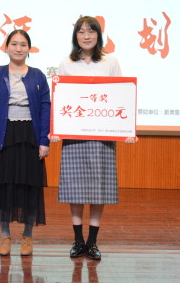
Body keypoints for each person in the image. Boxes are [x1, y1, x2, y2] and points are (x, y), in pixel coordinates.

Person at [51, 16, 137, 261]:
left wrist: (128, 130)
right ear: (75, 36)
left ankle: (93, 242)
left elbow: (121, 95)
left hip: (102, 136)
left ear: (99, 35)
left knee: (100, 189)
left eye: (91, 31)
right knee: (75, 188)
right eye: (81, 31)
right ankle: (78, 241)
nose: (86, 36)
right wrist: (55, 129)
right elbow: (60, 99)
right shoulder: (66, 63)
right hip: (74, 136)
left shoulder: (111, 61)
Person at [0, 29, 50, 257]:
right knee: (4, 187)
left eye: (23, 44)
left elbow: (45, 108)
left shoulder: (38, 76)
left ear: (29, 48)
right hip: (5, 134)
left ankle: (27, 236)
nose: (18, 48)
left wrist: (44, 140)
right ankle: (5, 236)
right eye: (14, 44)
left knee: (30, 187)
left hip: (30, 134)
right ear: (6, 47)